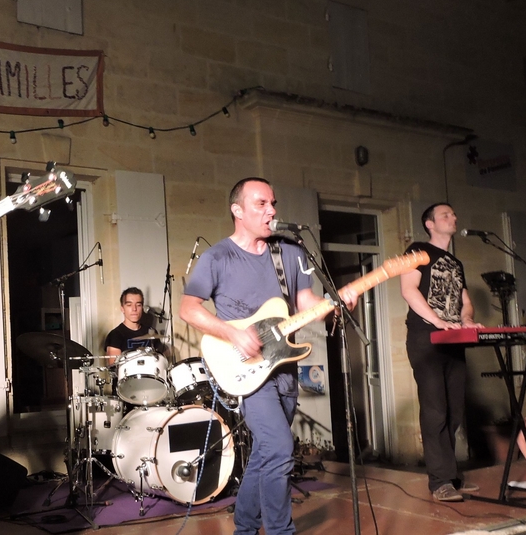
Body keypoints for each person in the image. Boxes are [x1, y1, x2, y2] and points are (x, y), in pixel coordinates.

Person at [180, 177, 354, 535]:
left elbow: (304, 304)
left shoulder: (289, 251)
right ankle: (280, 531)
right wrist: (232, 332)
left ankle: (244, 527)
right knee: (278, 447)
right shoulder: (218, 257)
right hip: (245, 369)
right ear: (237, 210)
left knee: (265, 453)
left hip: (284, 367)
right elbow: (188, 309)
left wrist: (333, 304)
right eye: (261, 204)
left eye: (273, 203)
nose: (272, 210)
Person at [399, 202, 482, 502]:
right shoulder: (417, 251)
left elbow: (465, 300)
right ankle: (439, 482)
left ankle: (450, 476)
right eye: (446, 214)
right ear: (430, 223)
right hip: (426, 338)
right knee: (435, 411)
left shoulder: (455, 263)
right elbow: (409, 290)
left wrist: (467, 319)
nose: (454, 217)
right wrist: (437, 321)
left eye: (453, 213)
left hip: (453, 338)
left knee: (455, 411)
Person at [104, 287, 162, 363]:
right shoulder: (115, 335)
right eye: (129, 305)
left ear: (142, 308)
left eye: (138, 305)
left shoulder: (151, 332)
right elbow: (114, 368)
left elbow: (159, 362)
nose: (134, 309)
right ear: (122, 308)